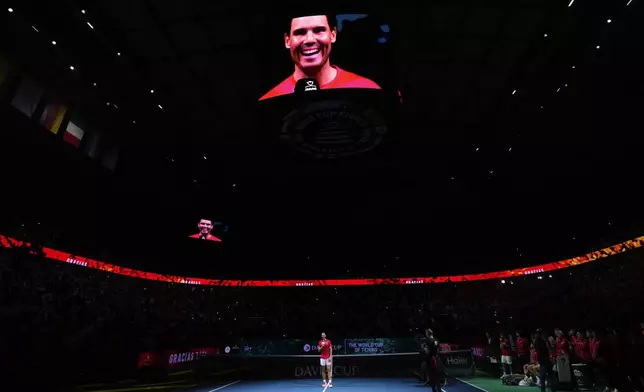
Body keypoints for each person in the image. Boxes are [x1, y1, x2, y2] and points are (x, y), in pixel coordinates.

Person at [259, 14, 381, 101]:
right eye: (300, 32)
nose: (310, 40)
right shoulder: (271, 102)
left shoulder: (367, 90)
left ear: (333, 35)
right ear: (287, 41)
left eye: (319, 30)